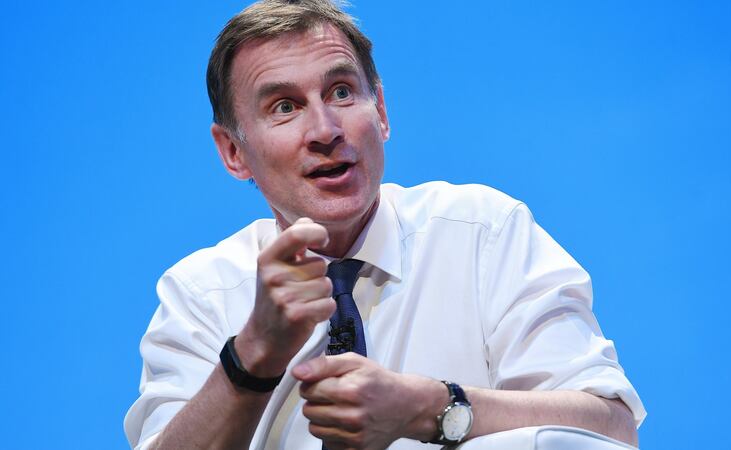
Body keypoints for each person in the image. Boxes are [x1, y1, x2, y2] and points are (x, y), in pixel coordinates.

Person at [124, 1, 646, 449]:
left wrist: (432, 407)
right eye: (285, 107)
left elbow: (613, 428)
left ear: (382, 113)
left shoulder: (483, 233)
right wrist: (252, 355)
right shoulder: (201, 295)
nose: (325, 130)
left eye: (341, 92)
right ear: (233, 152)